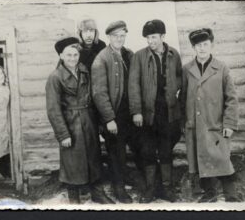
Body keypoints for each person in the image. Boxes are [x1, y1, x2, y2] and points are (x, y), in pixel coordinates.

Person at [45, 37, 114, 204]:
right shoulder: (55, 77)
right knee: (72, 162)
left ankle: (97, 193)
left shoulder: (84, 70)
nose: (72, 58)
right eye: (68, 55)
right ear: (61, 56)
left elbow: (93, 97)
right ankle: (74, 198)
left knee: (93, 157)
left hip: (88, 121)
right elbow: (53, 110)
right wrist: (63, 135)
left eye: (75, 55)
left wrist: (98, 124)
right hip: (71, 124)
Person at [182, 28, 241, 202]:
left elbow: (232, 98)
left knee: (222, 159)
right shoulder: (187, 69)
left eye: (205, 44)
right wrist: (185, 122)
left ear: (211, 45)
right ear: (194, 47)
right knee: (201, 159)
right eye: (198, 45)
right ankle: (210, 194)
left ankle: (231, 195)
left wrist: (229, 124)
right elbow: (183, 97)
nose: (202, 48)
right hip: (195, 125)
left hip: (215, 123)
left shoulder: (221, 68)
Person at [129, 19, 182, 203]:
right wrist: (136, 111)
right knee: (148, 151)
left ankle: (167, 188)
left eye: (153, 37)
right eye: (147, 38)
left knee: (166, 150)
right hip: (147, 113)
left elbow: (179, 76)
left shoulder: (174, 54)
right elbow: (133, 85)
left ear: (162, 36)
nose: (150, 41)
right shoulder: (139, 56)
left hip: (167, 112)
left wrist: (173, 93)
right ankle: (150, 189)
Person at [91, 21, 141, 203]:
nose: (119, 39)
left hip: (130, 112)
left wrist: (137, 110)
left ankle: (140, 182)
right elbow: (99, 92)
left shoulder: (129, 55)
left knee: (138, 147)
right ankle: (118, 188)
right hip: (114, 113)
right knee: (116, 153)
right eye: (115, 36)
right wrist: (109, 118)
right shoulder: (101, 59)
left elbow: (135, 84)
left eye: (122, 35)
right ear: (109, 37)